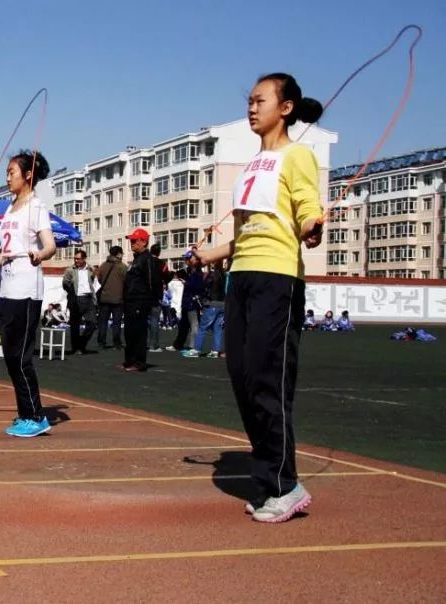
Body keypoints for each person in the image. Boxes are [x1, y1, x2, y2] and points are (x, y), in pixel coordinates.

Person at [196, 72, 325, 522]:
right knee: (242, 375)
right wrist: (212, 253)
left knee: (269, 380)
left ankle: (283, 483)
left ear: (285, 107)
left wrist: (311, 226)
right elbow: (246, 231)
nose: (252, 108)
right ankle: (273, 475)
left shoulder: (298, 155)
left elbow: (307, 206)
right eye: (248, 101)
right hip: (242, 278)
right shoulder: (252, 164)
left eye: (260, 101)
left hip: (277, 277)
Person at [0, 150, 56, 437]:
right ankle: (25, 413)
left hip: (28, 287)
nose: (8, 177)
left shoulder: (36, 206)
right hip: (7, 286)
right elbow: (5, 253)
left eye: (12, 172)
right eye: (7, 172)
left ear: (28, 175)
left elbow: (50, 245)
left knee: (21, 355)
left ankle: (37, 416)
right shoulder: (10, 208)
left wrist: (38, 255)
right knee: (9, 354)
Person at [120, 228, 163, 372]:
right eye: (131, 240)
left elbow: (153, 281)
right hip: (131, 300)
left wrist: (151, 300)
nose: (132, 243)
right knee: (129, 332)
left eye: (134, 240)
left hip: (140, 300)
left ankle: (139, 362)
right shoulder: (137, 258)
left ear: (143, 242)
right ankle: (129, 360)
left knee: (139, 332)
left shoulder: (147, 259)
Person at [183, 259, 226, 358]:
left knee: (203, 328)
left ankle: (196, 349)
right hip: (222, 303)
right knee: (218, 328)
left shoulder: (212, 274)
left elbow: (205, 287)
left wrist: (204, 300)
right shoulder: (224, 274)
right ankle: (215, 351)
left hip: (212, 303)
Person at [62, 249, 97, 354]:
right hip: (75, 299)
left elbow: (94, 282)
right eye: (75, 258)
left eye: (78, 259)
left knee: (92, 322)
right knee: (75, 325)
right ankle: (75, 348)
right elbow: (65, 284)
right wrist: (72, 292)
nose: (76, 261)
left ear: (84, 259)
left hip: (88, 299)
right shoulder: (70, 270)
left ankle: (82, 343)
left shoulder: (91, 269)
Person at [170, 252, 203, 352]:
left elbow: (197, 287)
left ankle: (193, 346)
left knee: (194, 325)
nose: (186, 261)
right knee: (183, 325)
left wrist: (186, 283)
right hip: (186, 301)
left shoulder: (197, 273)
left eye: (188, 259)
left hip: (192, 302)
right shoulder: (189, 271)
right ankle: (178, 344)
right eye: (186, 259)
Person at [96, 245, 126, 349]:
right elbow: (127, 281)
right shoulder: (122, 267)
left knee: (103, 321)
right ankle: (116, 343)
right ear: (118, 254)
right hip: (118, 298)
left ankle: (101, 342)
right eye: (122, 253)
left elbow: (99, 279)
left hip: (104, 298)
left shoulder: (103, 265)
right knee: (116, 322)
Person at [147, 243, 166, 352]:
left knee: (143, 320)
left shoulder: (145, 261)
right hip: (156, 294)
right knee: (154, 320)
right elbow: (167, 275)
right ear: (159, 252)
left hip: (144, 294)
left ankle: (140, 343)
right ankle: (154, 345)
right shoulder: (162, 264)